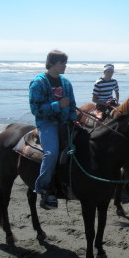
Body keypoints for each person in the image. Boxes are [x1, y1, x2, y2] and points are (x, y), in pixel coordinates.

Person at [29, 50, 77, 210]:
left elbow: (72, 104)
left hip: (65, 122)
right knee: (51, 154)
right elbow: (35, 109)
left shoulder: (66, 83)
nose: (65, 66)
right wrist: (57, 105)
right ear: (52, 63)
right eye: (62, 63)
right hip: (47, 124)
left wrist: (73, 120)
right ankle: (44, 187)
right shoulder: (38, 83)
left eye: (65, 62)